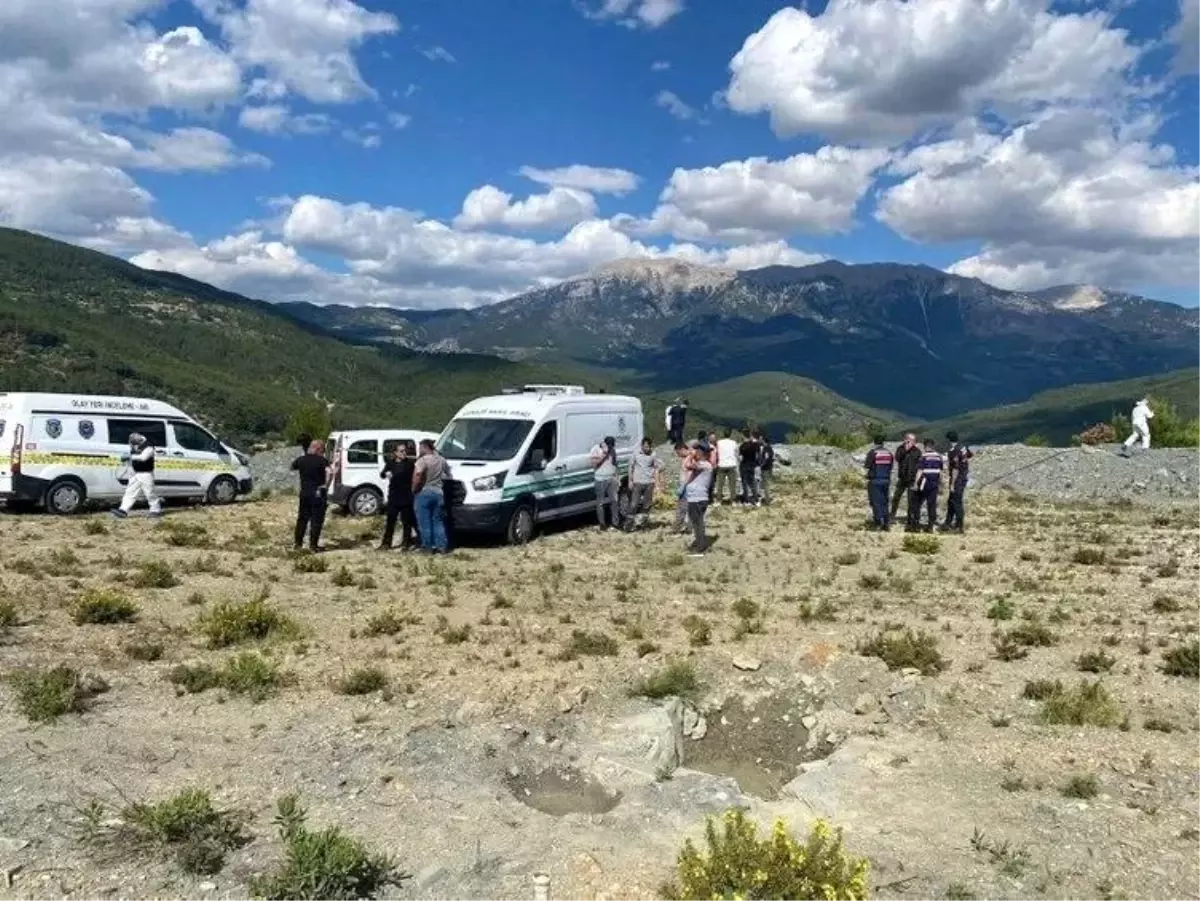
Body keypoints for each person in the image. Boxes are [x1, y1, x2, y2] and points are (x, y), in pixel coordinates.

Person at [291, 439, 331, 550]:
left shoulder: (301, 459)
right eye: (322, 450)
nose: (323, 452)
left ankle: (297, 544)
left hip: (304, 494)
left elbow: (292, 467)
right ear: (319, 449)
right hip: (318, 493)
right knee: (316, 520)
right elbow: (330, 472)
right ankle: (313, 546)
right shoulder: (323, 461)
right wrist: (325, 485)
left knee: (302, 519)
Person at [112, 433, 162, 519]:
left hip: (146, 473)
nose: (133, 446)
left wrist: (131, 457)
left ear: (139, 440)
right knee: (130, 491)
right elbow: (133, 457)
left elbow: (143, 457)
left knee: (149, 492)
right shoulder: (135, 445)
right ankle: (123, 510)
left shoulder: (149, 446)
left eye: (134, 444)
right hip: (136, 473)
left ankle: (155, 510)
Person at [379, 441, 418, 550]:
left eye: (405, 451)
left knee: (407, 522)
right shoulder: (390, 463)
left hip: (406, 496)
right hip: (394, 496)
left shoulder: (410, 464)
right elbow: (382, 474)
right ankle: (386, 543)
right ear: (395, 452)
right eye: (401, 451)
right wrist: (385, 474)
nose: (404, 453)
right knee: (390, 521)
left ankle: (406, 543)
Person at [413, 439, 449, 554]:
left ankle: (427, 547)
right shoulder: (441, 460)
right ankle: (441, 546)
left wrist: (414, 489)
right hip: (438, 493)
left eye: (420, 448)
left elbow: (418, 475)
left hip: (424, 492)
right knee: (438, 521)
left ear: (424, 447)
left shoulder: (422, 461)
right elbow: (448, 472)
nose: (419, 450)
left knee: (425, 522)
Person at [681, 440, 714, 556]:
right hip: (696, 497)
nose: (695, 452)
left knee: (697, 522)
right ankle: (700, 543)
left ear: (702, 452)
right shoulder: (704, 464)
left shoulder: (704, 464)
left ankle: (700, 547)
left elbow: (687, 465)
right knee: (696, 522)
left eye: (697, 450)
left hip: (698, 498)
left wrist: (690, 455)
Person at [628, 437, 663, 530]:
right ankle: (628, 525)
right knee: (634, 504)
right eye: (646, 446)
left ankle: (642, 524)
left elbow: (656, 469)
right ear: (642, 446)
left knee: (647, 505)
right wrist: (630, 481)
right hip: (638, 482)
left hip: (649, 482)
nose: (647, 449)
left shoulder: (653, 455)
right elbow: (630, 467)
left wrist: (657, 484)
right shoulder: (635, 454)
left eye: (649, 447)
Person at [942, 431, 973, 533]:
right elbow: (970, 455)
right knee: (951, 501)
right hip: (963, 477)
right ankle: (948, 523)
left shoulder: (953, 451)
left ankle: (959, 526)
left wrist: (952, 484)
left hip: (957, 479)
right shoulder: (963, 447)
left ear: (948, 440)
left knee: (957, 502)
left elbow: (955, 469)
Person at [912, 439, 944, 533]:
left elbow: (920, 471)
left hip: (924, 482)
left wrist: (915, 483)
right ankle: (930, 526)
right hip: (935, 483)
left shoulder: (924, 456)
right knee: (932, 504)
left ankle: (916, 525)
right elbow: (941, 471)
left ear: (925, 446)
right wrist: (940, 483)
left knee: (917, 502)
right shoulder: (939, 457)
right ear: (933, 446)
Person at [863, 434, 894, 530]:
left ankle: (877, 523)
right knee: (885, 502)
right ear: (883, 443)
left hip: (875, 480)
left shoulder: (873, 453)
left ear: (874, 442)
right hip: (886, 480)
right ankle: (886, 523)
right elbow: (890, 467)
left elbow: (867, 466)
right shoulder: (889, 453)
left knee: (876, 502)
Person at [590, 435, 620, 530]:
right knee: (600, 503)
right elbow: (594, 464)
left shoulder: (613, 451)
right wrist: (604, 454)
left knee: (614, 501)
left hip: (611, 478)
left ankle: (615, 523)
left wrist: (617, 478)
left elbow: (615, 465)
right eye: (610, 445)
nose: (611, 447)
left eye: (612, 445)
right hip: (600, 479)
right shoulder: (596, 449)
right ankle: (602, 524)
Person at [891, 433, 921, 522]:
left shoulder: (917, 451)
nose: (911, 442)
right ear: (905, 440)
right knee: (896, 497)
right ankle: (892, 515)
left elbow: (919, 465)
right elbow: (897, 458)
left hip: (911, 479)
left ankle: (910, 518)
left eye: (913, 440)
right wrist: (905, 450)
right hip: (902, 478)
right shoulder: (900, 448)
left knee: (910, 499)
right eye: (909, 440)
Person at [715, 428, 739, 504]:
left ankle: (719, 500)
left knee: (720, 484)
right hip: (731, 464)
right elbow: (736, 453)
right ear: (730, 434)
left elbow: (717, 453)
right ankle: (733, 501)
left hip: (722, 464)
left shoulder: (719, 442)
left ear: (723, 434)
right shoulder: (734, 443)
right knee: (732, 484)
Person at [738, 429, 761, 507]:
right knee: (752, 483)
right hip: (752, 465)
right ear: (750, 436)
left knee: (744, 483)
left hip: (744, 466)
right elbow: (757, 456)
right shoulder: (755, 445)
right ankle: (756, 500)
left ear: (743, 436)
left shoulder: (742, 446)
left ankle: (746, 501)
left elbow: (740, 458)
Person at [673, 442, 691, 532]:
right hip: (684, 486)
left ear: (682, 449)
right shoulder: (686, 458)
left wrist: (683, 486)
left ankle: (681, 527)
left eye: (678, 453)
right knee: (685, 508)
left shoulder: (690, 458)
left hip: (687, 487)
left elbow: (689, 475)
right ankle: (686, 526)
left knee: (683, 508)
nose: (678, 455)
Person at [755, 430, 775, 505]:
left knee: (765, 485)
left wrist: (761, 465)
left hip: (765, 469)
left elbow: (766, 458)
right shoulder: (770, 448)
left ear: (763, 440)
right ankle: (766, 499)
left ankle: (767, 500)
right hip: (769, 468)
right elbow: (771, 458)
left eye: (761, 439)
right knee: (765, 484)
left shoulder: (766, 448)